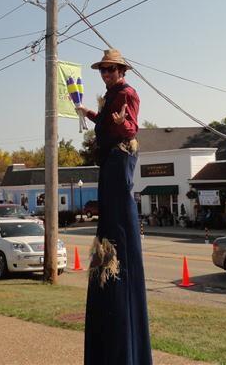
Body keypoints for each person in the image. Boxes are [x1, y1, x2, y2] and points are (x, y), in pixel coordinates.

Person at [75, 48, 151, 365]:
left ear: (121, 71)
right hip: (108, 159)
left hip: (120, 157)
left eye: (111, 70)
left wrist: (122, 123)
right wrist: (88, 113)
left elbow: (129, 128)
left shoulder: (128, 93)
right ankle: (109, 252)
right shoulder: (108, 97)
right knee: (107, 216)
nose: (107, 74)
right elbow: (106, 124)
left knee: (118, 214)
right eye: (103, 70)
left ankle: (117, 251)